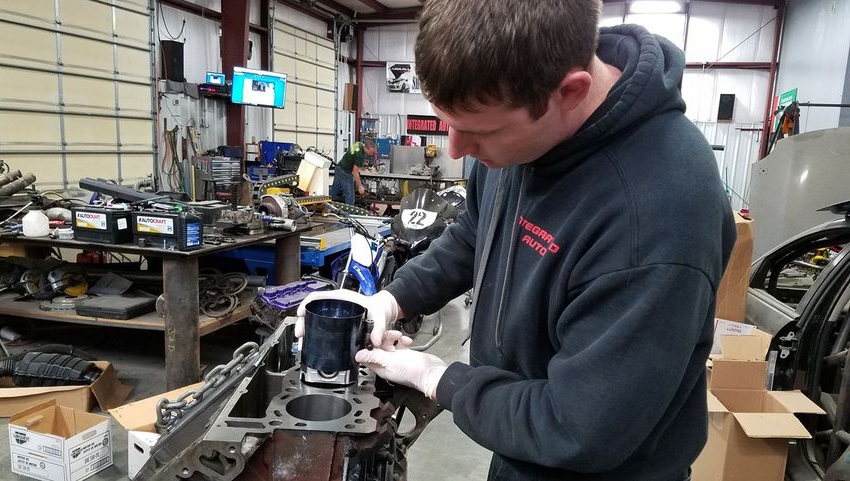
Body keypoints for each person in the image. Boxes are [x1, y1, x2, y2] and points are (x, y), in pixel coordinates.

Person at [298, 1, 736, 480]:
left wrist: (438, 378)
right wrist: (391, 299)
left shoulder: (655, 217)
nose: (456, 150)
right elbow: (475, 232)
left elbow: (576, 428)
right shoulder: (526, 128)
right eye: (448, 122)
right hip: (518, 448)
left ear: (570, 93)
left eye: (478, 131)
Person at [329, 140, 376, 205]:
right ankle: (349, 213)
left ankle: (325, 205)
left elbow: (352, 159)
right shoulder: (360, 154)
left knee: (334, 191)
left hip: (339, 168)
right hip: (345, 171)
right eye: (371, 152)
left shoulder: (359, 144)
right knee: (350, 195)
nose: (372, 154)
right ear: (367, 148)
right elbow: (355, 172)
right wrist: (360, 186)